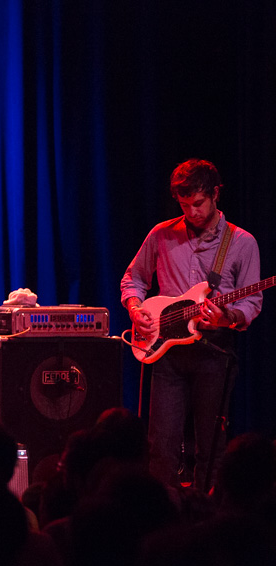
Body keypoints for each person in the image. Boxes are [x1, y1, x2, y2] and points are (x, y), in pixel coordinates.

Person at [121, 159, 261, 490]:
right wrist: (135, 307)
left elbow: (251, 302)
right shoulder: (161, 234)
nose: (192, 212)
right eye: (184, 205)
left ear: (215, 194)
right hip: (167, 353)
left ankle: (207, 519)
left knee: (211, 449)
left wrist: (227, 317)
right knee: (162, 447)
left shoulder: (242, 242)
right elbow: (134, 278)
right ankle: (162, 521)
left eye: (197, 204)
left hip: (214, 352)